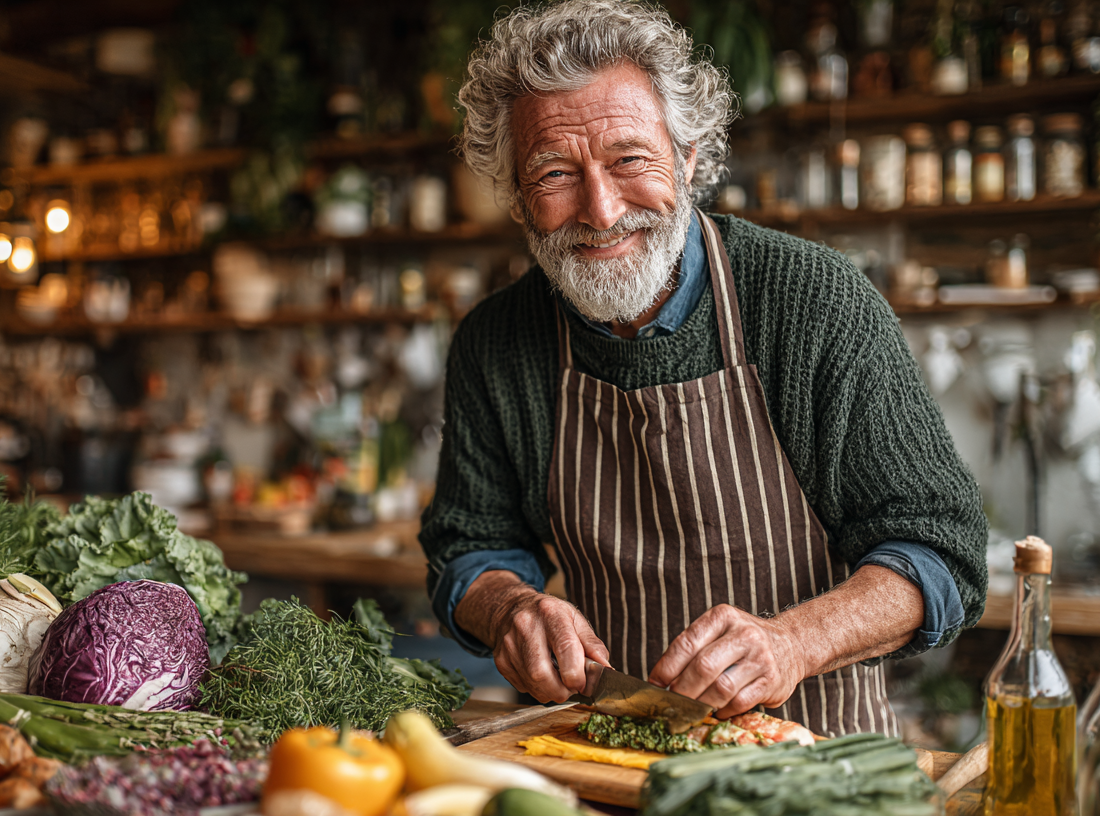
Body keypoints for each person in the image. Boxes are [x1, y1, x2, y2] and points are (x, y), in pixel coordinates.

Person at [420, 0, 988, 736]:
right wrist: (510, 610)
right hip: (609, 754)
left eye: (630, 159)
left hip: (814, 759)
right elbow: (470, 546)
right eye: (555, 172)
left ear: (688, 157)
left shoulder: (814, 301)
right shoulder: (495, 341)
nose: (601, 210)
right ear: (519, 199)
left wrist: (793, 642)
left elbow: (941, 550)